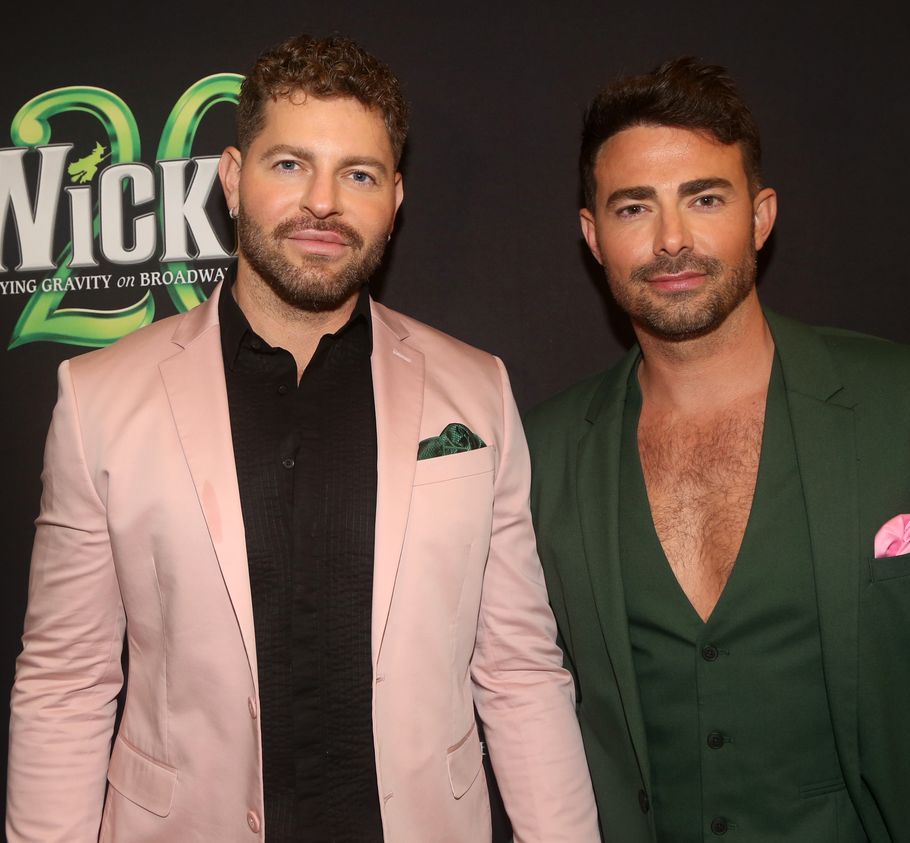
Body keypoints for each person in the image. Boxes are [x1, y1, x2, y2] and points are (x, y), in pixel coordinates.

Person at [7, 34, 598, 843]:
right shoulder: (99, 398)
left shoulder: (476, 389)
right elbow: (66, 683)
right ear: (230, 177)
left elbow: (521, 670)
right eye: (289, 164)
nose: (322, 202)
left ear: (394, 196)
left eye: (356, 174)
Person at [525, 57, 910, 842]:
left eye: (705, 197)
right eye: (632, 208)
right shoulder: (544, 452)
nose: (671, 240)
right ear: (593, 236)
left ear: (760, 216)